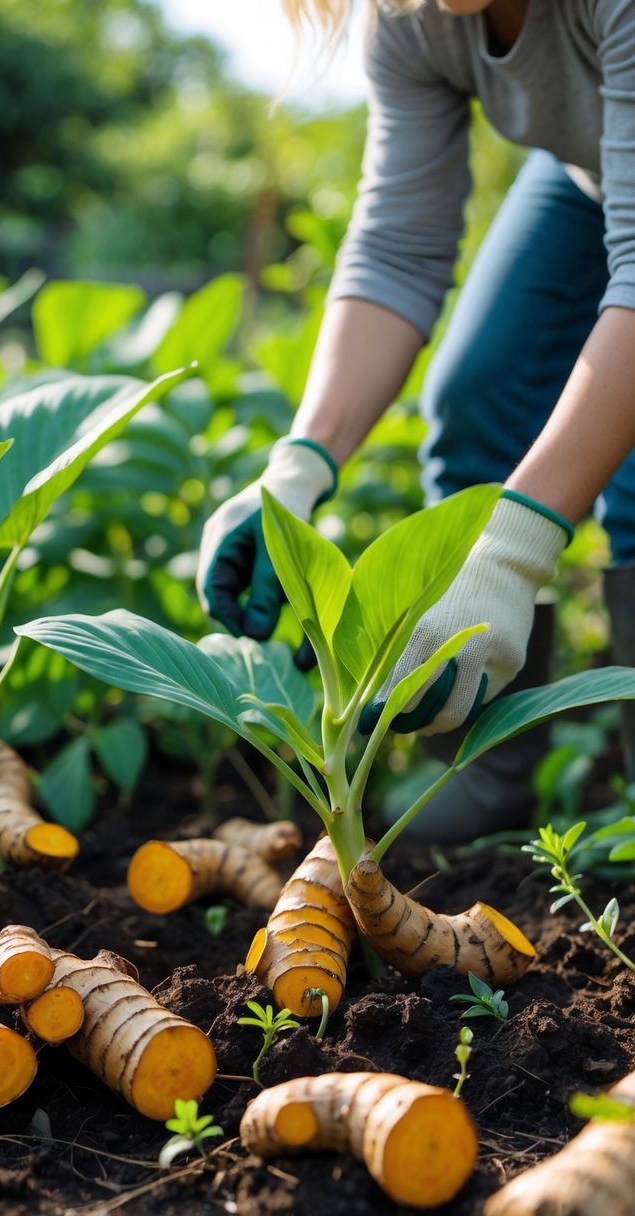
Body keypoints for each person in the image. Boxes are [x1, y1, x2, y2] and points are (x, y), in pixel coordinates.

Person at [196, 0, 635, 840]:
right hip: (594, 177)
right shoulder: (412, 18)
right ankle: (487, 770)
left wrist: (512, 552)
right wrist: (299, 465)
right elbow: (396, 248)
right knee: (481, 389)